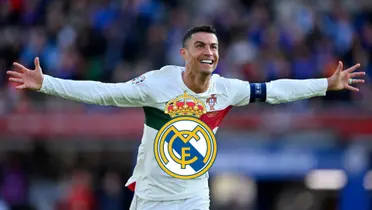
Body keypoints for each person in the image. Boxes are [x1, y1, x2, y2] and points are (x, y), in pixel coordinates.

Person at [6, 25, 365, 210]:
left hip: (194, 197)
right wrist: (46, 83)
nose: (208, 52)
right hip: (149, 195)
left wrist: (325, 84)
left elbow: (274, 90)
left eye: (214, 47)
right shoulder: (157, 83)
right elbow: (104, 92)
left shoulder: (226, 89)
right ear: (184, 53)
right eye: (200, 46)